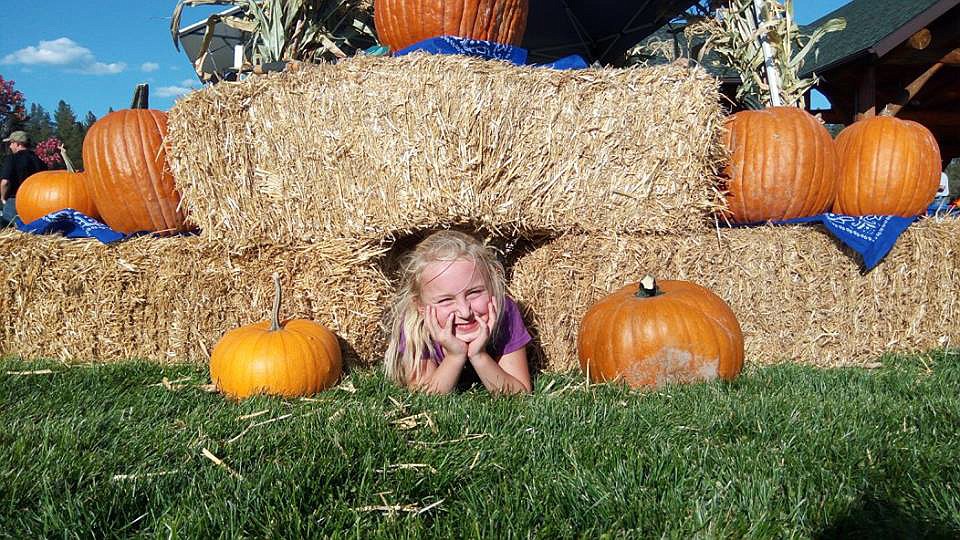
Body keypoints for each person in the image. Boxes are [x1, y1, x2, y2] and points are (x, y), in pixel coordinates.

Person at [384, 230, 532, 395]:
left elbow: (521, 394)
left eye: (474, 292)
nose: (464, 311)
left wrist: (479, 355)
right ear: (421, 307)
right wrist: (455, 356)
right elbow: (424, 399)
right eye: (445, 300)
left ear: (492, 286)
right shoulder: (415, 326)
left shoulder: (504, 310)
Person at [1, 130, 47, 227]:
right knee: (32, 231)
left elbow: (5, 182)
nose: (10, 146)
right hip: (35, 202)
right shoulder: (40, 162)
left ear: (17, 144)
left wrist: (3, 198)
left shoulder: (12, 159)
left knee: (12, 233)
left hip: (15, 201)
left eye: (11, 143)